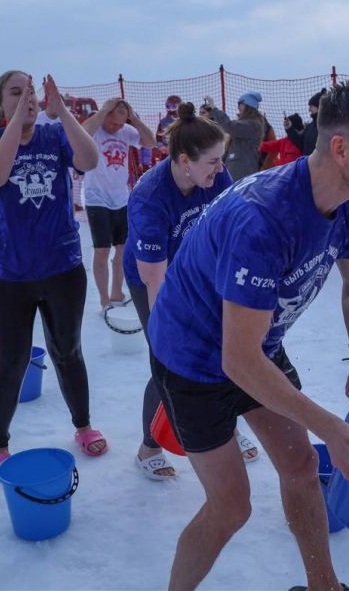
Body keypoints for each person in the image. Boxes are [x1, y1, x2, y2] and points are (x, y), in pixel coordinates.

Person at [146, 80, 349, 590]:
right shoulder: (261, 221)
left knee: (301, 464)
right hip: (194, 363)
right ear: (341, 148)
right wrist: (334, 427)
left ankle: (322, 586)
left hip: (255, 347)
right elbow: (236, 363)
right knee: (231, 507)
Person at [0, 71, 105, 479]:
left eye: (31, 93)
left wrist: (60, 110)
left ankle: (82, 426)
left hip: (62, 267)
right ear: (1, 101)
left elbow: (89, 160)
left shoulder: (54, 136)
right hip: (8, 273)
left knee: (68, 351)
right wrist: (15, 120)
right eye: (17, 93)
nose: (26, 99)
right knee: (10, 361)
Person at [123, 102, 258, 480]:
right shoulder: (151, 197)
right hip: (154, 277)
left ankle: (227, 427)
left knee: (222, 348)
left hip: (197, 270)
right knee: (167, 361)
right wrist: (168, 336)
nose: (221, 169)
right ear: (184, 160)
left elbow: (234, 223)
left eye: (222, 160)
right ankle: (149, 445)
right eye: (213, 162)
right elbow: (155, 280)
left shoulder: (214, 176)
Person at [79, 97, 156, 311]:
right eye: (112, 122)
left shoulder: (126, 131)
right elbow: (82, 132)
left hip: (121, 198)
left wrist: (134, 120)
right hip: (97, 198)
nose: (116, 127)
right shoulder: (96, 129)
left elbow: (150, 142)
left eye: (120, 123)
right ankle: (104, 299)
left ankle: (116, 292)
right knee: (101, 250)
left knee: (122, 249)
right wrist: (103, 112)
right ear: (105, 115)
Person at [205, 92, 266, 181]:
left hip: (242, 173)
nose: (238, 107)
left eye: (240, 104)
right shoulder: (247, 125)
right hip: (236, 172)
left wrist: (215, 109)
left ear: (248, 106)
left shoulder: (253, 125)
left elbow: (229, 126)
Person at [286, 89, 325, 156]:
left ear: (319, 107)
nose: (309, 109)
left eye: (311, 106)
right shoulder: (310, 127)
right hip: (309, 164)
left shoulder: (327, 127)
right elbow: (300, 143)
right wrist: (290, 128)